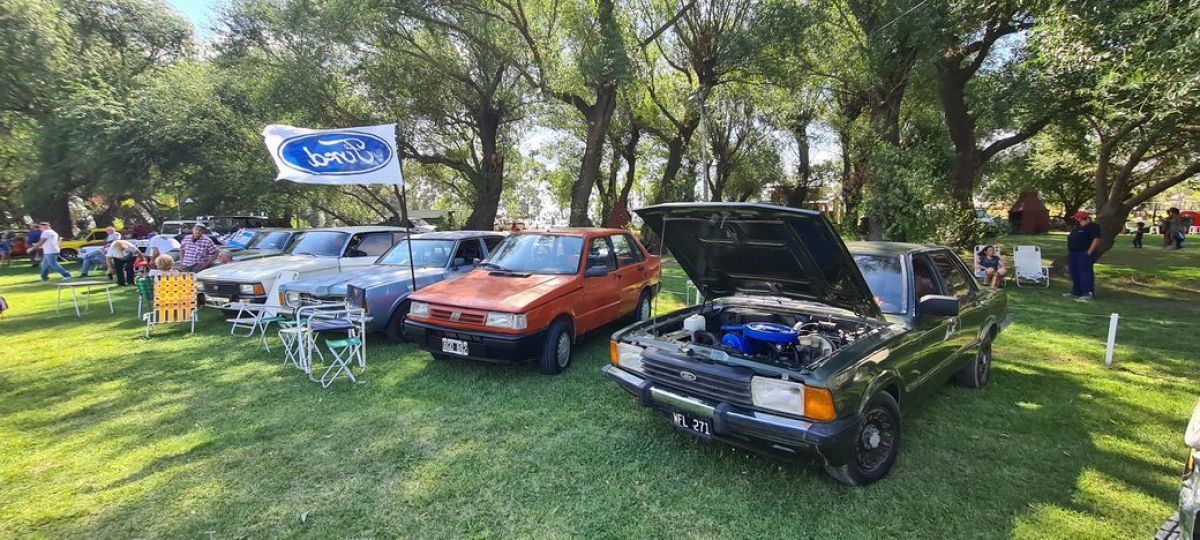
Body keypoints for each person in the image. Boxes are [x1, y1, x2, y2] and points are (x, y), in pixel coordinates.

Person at [1064, 211, 1101, 302]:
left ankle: (1087, 292)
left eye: (1077, 218)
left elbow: (1096, 239)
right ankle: (1076, 291)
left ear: (1081, 218)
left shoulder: (1093, 227)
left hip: (1084, 252)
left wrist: (1089, 252)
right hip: (1073, 253)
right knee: (1074, 272)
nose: (1076, 219)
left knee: (1085, 272)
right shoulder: (1077, 227)